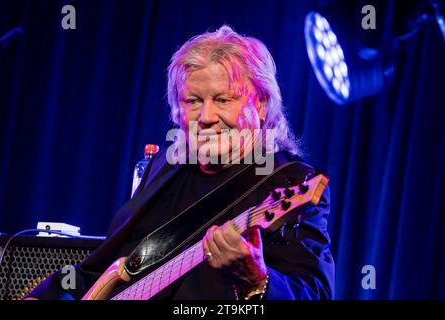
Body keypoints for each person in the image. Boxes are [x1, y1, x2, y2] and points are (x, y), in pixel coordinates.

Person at [26, 25, 334, 300]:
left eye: (223, 99)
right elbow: (103, 267)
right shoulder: (165, 166)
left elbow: (314, 294)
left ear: (261, 104)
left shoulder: (289, 183)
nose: (208, 117)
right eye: (193, 101)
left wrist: (259, 282)